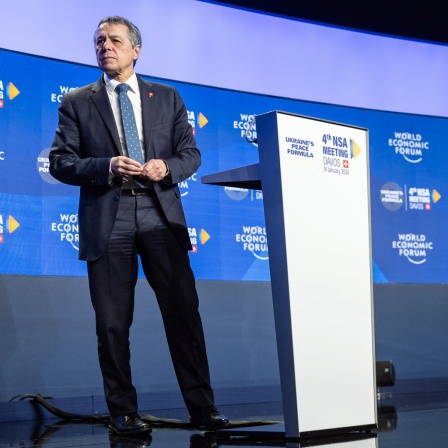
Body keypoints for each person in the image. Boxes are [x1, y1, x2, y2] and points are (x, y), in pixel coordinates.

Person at [49, 16, 228, 436]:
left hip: (159, 213)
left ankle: (203, 410)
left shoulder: (166, 97)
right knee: (112, 324)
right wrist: (106, 166)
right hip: (108, 220)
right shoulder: (77, 101)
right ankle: (123, 414)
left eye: (113, 40)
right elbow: (60, 162)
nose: (104, 47)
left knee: (184, 317)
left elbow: (191, 154)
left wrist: (166, 165)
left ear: (135, 49)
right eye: (99, 41)